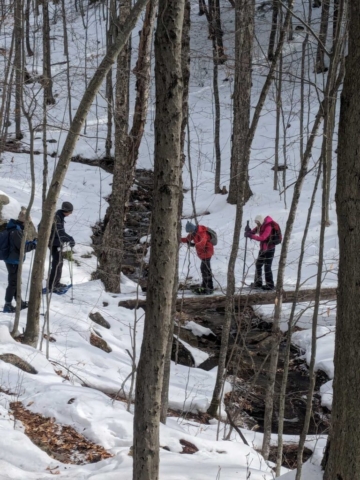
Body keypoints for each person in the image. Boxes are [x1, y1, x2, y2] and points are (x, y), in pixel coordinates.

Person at [4, 209, 37, 313]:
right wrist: (34, 244)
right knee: (13, 283)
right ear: (25, 221)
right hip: (13, 261)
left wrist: (30, 242)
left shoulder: (15, 228)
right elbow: (23, 248)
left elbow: (21, 243)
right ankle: (7, 305)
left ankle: (20, 302)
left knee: (16, 282)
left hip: (13, 259)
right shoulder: (17, 231)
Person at [181, 221, 214, 295]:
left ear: (193, 229)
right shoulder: (193, 233)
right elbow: (187, 239)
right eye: (189, 232)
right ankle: (205, 286)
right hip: (202, 254)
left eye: (190, 231)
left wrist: (193, 244)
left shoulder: (202, 232)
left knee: (206, 270)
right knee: (204, 269)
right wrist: (178, 239)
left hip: (207, 252)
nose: (190, 233)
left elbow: (202, 243)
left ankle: (209, 288)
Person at [48, 201, 75, 292]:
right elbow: (59, 232)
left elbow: (60, 233)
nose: (70, 214)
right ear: (66, 211)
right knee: (56, 264)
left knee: (59, 263)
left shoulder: (59, 216)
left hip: (56, 243)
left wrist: (67, 239)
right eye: (70, 212)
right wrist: (70, 239)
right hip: (53, 243)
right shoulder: (57, 217)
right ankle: (52, 285)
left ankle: (56, 283)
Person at [244, 215, 275, 291]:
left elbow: (262, 238)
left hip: (269, 249)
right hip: (263, 249)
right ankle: (258, 282)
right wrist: (248, 232)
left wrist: (251, 236)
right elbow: (253, 232)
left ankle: (270, 285)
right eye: (256, 223)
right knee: (258, 265)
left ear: (261, 221)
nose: (257, 224)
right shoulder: (260, 226)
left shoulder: (268, 227)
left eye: (258, 222)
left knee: (267, 267)